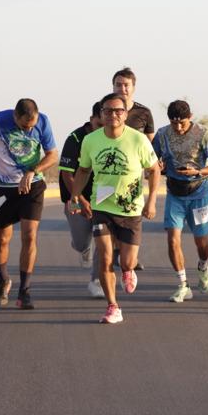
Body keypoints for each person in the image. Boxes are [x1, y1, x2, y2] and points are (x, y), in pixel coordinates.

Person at [69, 93, 160, 324]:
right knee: (105, 257)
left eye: (118, 111)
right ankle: (113, 306)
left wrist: (151, 202)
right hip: (102, 206)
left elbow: (154, 169)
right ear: (101, 114)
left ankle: (128, 271)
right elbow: (83, 171)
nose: (113, 115)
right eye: (108, 111)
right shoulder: (91, 141)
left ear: (125, 114)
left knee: (127, 261)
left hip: (130, 209)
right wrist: (75, 196)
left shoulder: (138, 140)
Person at [0, 98, 58, 310]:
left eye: (32, 125)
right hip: (2, 188)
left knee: (29, 235)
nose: (29, 129)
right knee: (2, 238)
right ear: (15, 117)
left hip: (32, 185)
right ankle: (3, 280)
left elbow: (52, 155)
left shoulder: (43, 122)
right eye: (24, 126)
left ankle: (24, 290)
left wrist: (33, 171)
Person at [153, 100, 208, 303]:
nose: (178, 127)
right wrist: (157, 164)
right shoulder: (162, 134)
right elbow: (151, 158)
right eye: (174, 123)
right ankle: (182, 284)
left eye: (182, 122)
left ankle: (202, 265)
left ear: (190, 117)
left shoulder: (204, 133)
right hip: (175, 192)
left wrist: (199, 171)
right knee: (173, 239)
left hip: (199, 193)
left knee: (201, 241)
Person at [58, 102, 105, 298]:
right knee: (81, 241)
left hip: (103, 195)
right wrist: (80, 199)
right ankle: (83, 248)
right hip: (75, 195)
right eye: (98, 124)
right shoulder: (75, 138)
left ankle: (96, 281)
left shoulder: (112, 136)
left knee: (102, 237)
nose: (102, 129)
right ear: (91, 119)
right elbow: (67, 174)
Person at [111, 67, 153, 271]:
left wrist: (151, 165)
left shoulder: (144, 112)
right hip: (109, 171)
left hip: (134, 174)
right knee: (110, 211)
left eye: (126, 85)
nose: (122, 88)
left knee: (130, 212)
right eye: (118, 84)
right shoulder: (106, 108)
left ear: (133, 88)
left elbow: (151, 141)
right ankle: (116, 253)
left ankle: (128, 254)